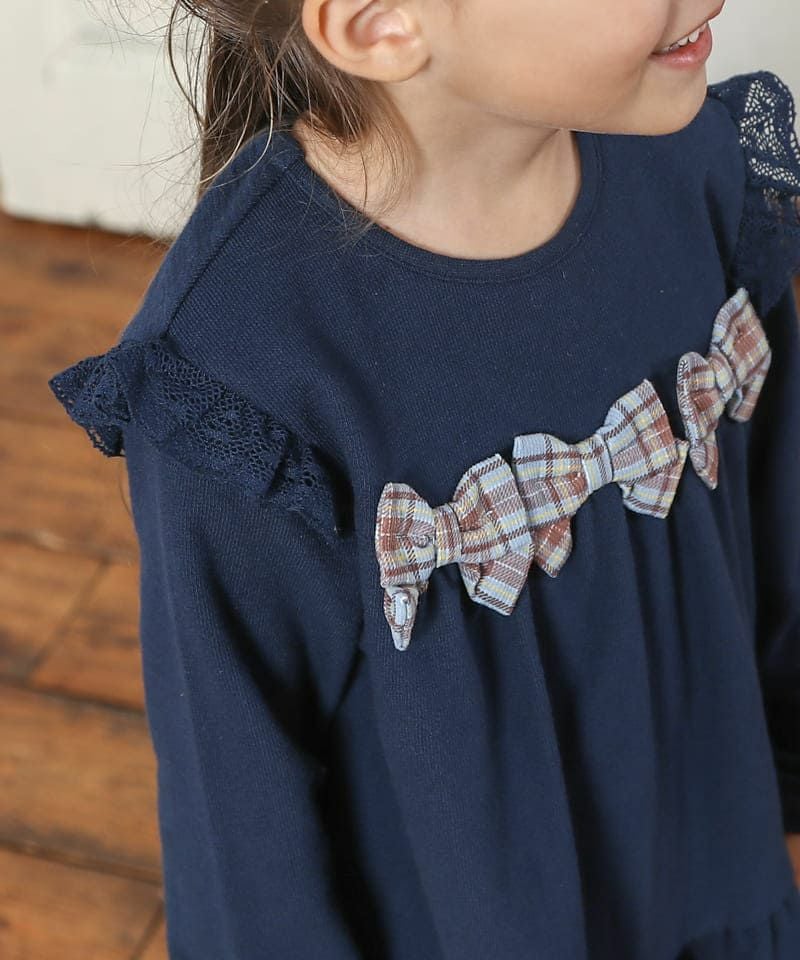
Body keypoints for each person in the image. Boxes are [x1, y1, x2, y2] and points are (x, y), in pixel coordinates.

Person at [47, 0, 800, 956]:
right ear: (379, 24)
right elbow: (238, 825)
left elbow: (780, 520)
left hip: (714, 865)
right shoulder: (243, 375)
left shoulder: (698, 169)